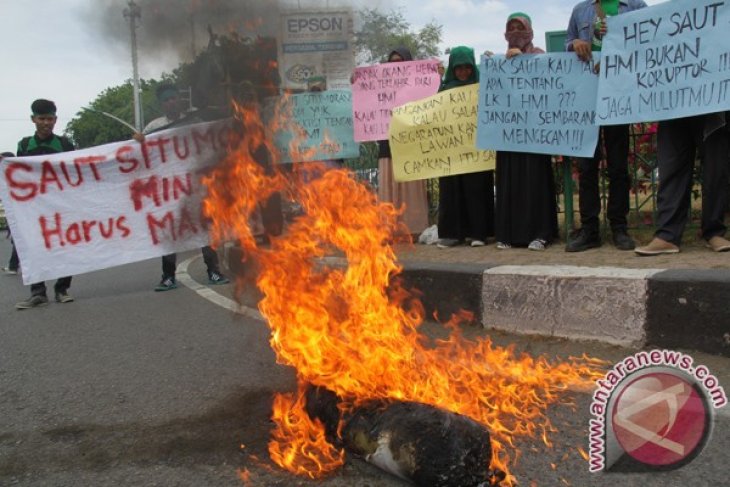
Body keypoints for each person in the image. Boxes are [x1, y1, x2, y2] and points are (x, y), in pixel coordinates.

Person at [564, 0, 647, 252]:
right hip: (587, 95)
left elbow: (650, 39)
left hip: (619, 95)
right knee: (587, 165)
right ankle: (590, 230)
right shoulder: (581, 10)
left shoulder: (634, 6)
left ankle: (619, 228)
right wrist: (574, 44)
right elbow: (567, 43)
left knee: (618, 166)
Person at [136, 83, 230, 291]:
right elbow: (140, 154)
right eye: (166, 100)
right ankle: (168, 276)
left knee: (206, 230)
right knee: (170, 231)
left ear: (180, 99)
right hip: (170, 190)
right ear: (161, 104)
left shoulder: (196, 118)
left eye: (174, 98)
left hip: (198, 186)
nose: (171, 102)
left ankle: (214, 271)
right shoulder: (154, 128)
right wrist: (139, 141)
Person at [494, 13, 558, 251]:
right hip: (509, 135)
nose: (515, 33)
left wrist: (524, 62)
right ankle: (507, 234)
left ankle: (540, 233)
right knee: (509, 181)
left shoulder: (540, 56)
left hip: (534, 134)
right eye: (510, 29)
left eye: (519, 28)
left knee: (535, 182)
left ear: (530, 31)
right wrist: (503, 63)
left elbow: (549, 83)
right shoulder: (499, 62)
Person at [635, 112, 730, 255]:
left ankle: (714, 232)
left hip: (713, 108)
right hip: (673, 106)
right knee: (672, 166)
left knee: (715, 168)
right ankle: (668, 235)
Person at [14, 99, 75, 309]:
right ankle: (38, 292)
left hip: (61, 206)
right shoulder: (24, 145)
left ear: (56, 119)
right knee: (34, 247)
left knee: (65, 246)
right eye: (42, 119)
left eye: (50, 119)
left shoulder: (65, 145)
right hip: (34, 208)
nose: (46, 123)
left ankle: (62, 289)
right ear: (33, 119)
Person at [436, 46, 494, 248]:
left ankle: (479, 233)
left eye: (467, 68)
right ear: (452, 68)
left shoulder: (481, 87)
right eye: (458, 68)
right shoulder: (444, 90)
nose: (463, 72)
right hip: (451, 151)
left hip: (476, 151)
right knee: (451, 191)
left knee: (476, 189)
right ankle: (453, 234)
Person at [376, 47, 430, 239]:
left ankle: (413, 229)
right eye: (392, 63)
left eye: (400, 62)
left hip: (412, 144)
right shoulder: (378, 87)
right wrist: (357, 84)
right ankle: (389, 229)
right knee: (389, 185)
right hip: (387, 143)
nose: (396, 66)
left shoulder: (419, 87)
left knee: (411, 188)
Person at [1, 152, 20, 274]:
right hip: (17, 216)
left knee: (18, 241)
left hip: (20, 217)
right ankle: (13, 265)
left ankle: (13, 266)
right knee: (18, 241)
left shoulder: (14, 177)